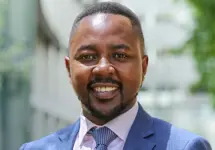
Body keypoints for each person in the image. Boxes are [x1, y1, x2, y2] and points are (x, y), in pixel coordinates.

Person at [19, 2, 212, 150]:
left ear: (143, 67)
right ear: (69, 68)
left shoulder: (184, 147)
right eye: (88, 56)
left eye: (120, 56)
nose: (103, 68)